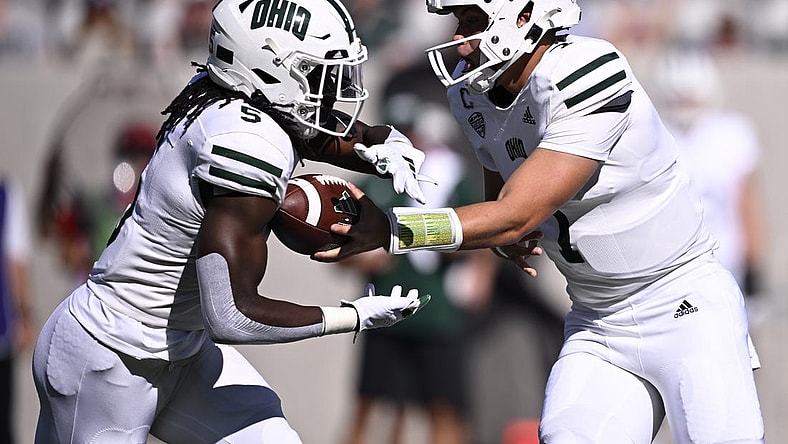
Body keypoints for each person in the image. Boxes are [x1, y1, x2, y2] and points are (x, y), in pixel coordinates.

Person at [313, 1, 766, 442]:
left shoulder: (587, 69)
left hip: (684, 305)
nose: (457, 39)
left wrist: (393, 231)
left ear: (525, 14)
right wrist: (501, 234)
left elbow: (514, 216)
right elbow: (502, 205)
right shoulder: (475, 93)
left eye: (471, 20)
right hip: (598, 321)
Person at [32, 1, 433, 442]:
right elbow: (232, 315)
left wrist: (383, 143)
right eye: (319, 75)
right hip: (111, 355)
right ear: (270, 72)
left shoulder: (222, 93)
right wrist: (352, 316)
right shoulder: (244, 143)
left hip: (181, 350)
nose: (334, 91)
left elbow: (305, 131)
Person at [341, 87, 496, 444]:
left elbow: (484, 231)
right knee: (374, 407)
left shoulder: (449, 177)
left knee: (442, 408)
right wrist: (358, 258)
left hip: (436, 311)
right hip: (382, 311)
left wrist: (476, 273)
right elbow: (340, 249)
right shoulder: (373, 185)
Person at [654, 50, 765, 298]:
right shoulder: (656, 134)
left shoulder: (733, 133)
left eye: (691, 100)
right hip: (671, 265)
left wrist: (754, 263)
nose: (686, 107)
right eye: (679, 101)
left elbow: (746, 203)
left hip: (726, 260)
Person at [0, 177, 35, 444]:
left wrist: (23, 316)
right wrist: (24, 317)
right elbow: (16, 261)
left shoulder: (8, 194)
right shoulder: (6, 195)